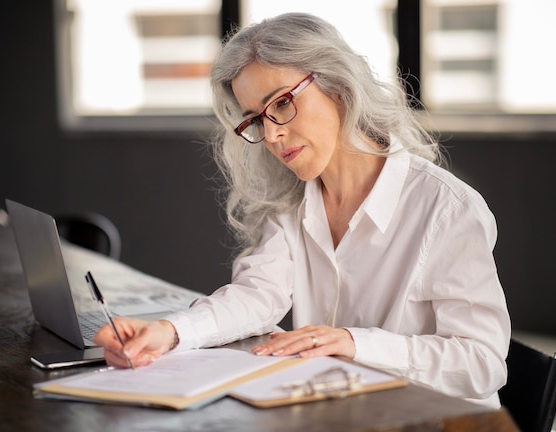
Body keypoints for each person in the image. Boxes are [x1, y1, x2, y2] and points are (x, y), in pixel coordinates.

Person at [94, 12, 511, 408]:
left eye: (281, 104)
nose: (273, 134)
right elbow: (258, 296)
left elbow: (482, 364)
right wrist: (170, 332)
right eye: (256, 119)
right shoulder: (293, 199)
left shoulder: (447, 208)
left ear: (339, 86)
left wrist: (353, 343)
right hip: (342, 412)